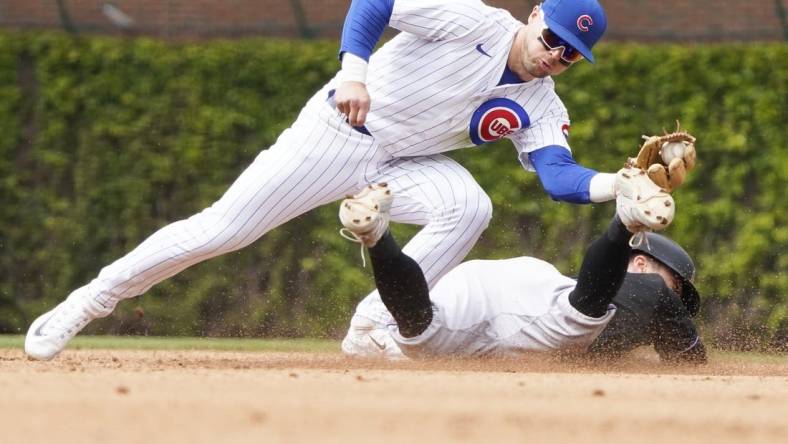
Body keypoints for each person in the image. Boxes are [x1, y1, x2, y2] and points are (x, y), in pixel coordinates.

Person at [26, 0, 626, 360]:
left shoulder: (543, 105)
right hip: (341, 131)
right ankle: (90, 301)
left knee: (469, 205)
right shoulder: (470, 18)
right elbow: (375, 3)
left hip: (404, 163)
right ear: (535, 15)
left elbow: (558, 176)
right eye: (553, 37)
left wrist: (619, 188)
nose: (554, 54)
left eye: (570, 53)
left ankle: (375, 321)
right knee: (225, 230)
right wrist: (353, 73)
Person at [338, 168, 706, 363]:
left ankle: (376, 236)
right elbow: (656, 296)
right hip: (526, 306)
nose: (675, 300)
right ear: (639, 263)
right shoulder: (643, 290)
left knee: (422, 330)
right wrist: (691, 360)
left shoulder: (606, 320)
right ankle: (623, 223)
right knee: (580, 317)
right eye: (677, 287)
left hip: (478, 294)